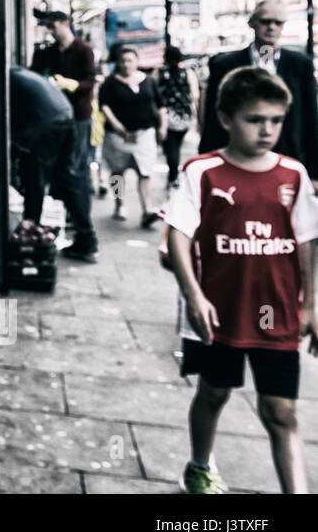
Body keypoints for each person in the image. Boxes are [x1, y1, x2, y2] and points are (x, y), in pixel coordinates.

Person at [161, 67, 318, 494]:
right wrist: (193, 296)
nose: (267, 130)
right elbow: (178, 235)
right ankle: (199, 465)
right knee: (214, 393)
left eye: (276, 120)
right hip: (221, 311)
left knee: (281, 411)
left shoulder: (293, 175)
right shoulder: (203, 172)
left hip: (276, 312)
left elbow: (306, 240)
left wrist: (311, 305)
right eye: (255, 120)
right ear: (227, 118)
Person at [200, 0, 318, 189]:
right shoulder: (224, 64)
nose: (272, 27)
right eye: (266, 21)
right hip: (236, 158)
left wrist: (314, 172)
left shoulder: (300, 64)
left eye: (278, 22)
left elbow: (311, 118)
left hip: (288, 157)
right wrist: (206, 163)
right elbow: (213, 119)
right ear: (252, 23)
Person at [28, 10, 99, 260]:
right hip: (51, 122)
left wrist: (71, 84)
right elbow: (33, 76)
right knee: (50, 174)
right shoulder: (46, 52)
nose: (49, 31)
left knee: (74, 174)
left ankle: (85, 237)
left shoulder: (84, 50)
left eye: (52, 26)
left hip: (78, 121)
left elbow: (90, 82)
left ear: (65, 23)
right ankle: (44, 230)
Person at [9, 64, 86, 251]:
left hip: (48, 124)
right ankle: (87, 238)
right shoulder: (19, 74)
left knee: (35, 178)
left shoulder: (6, 80)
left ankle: (30, 231)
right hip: (64, 115)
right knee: (65, 178)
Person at [99, 46, 166, 227]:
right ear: (118, 63)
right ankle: (119, 204)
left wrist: (163, 125)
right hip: (119, 136)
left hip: (144, 134)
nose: (126, 64)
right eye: (123, 61)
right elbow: (104, 105)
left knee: (145, 172)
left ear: (137, 62)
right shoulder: (110, 83)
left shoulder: (148, 81)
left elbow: (160, 104)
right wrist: (115, 123)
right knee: (117, 172)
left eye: (130, 60)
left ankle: (147, 210)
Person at [156, 45, 200, 190]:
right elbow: (195, 95)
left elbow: (153, 94)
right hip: (184, 116)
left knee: (171, 148)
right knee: (175, 146)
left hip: (165, 116)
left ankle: (173, 178)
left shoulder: (159, 73)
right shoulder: (187, 73)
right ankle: (173, 177)